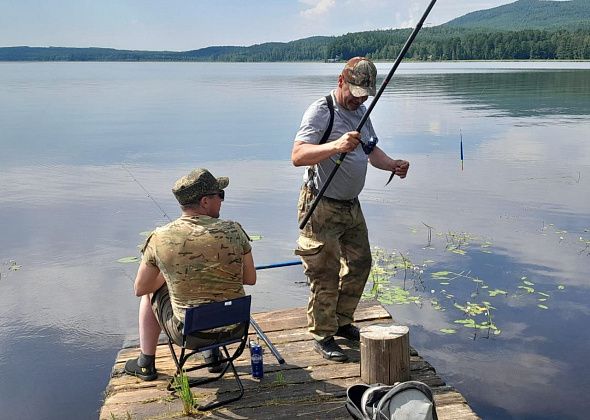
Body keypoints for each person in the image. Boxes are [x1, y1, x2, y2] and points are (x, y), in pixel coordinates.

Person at [291, 57, 410, 362]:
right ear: (341, 80)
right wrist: (335, 146)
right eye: (355, 91)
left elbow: (371, 151)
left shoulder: (362, 112)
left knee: (360, 263)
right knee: (324, 271)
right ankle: (323, 333)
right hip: (320, 204)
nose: (359, 98)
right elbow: (298, 155)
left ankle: (343, 321)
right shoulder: (322, 109)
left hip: (350, 205)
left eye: (364, 93)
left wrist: (393, 164)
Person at [124, 168, 256, 381]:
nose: (222, 200)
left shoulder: (159, 238)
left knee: (152, 292)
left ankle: (145, 363)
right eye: (219, 195)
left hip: (190, 334)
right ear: (205, 201)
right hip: (235, 327)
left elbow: (141, 288)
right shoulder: (234, 230)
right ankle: (213, 354)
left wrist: (170, 275)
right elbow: (250, 279)